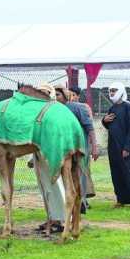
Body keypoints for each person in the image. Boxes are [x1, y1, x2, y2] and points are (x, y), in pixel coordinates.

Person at [54, 85, 99, 214]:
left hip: (80, 148)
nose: (56, 97)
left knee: (81, 174)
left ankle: (82, 201)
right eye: (54, 94)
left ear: (65, 95)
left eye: (58, 94)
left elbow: (90, 128)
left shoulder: (79, 108)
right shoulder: (53, 110)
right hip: (61, 149)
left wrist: (94, 147)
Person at [30, 83, 66, 233]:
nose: (42, 95)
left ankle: (63, 219)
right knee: (45, 189)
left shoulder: (55, 111)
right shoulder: (34, 113)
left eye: (45, 93)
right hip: (38, 155)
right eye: (40, 92)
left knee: (57, 186)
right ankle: (51, 218)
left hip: (52, 154)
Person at [101, 82, 130, 210]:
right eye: (111, 91)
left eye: (114, 90)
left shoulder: (129, 108)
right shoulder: (112, 108)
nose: (112, 93)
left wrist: (127, 148)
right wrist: (104, 121)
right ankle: (121, 199)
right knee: (117, 174)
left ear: (121, 91)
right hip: (113, 147)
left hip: (127, 147)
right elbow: (111, 126)